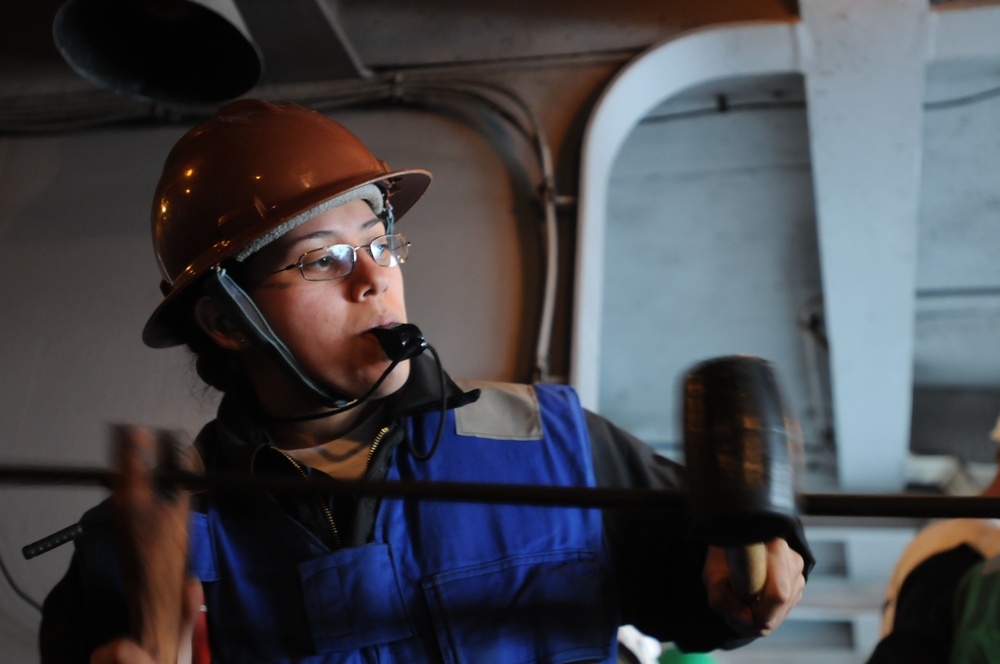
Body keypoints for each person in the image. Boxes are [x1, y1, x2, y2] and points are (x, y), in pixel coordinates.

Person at [38, 99, 811, 663]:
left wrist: (747, 577)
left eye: (381, 243)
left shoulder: (553, 440)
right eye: (322, 259)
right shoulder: (140, 544)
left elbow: (704, 597)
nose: (375, 279)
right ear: (226, 322)